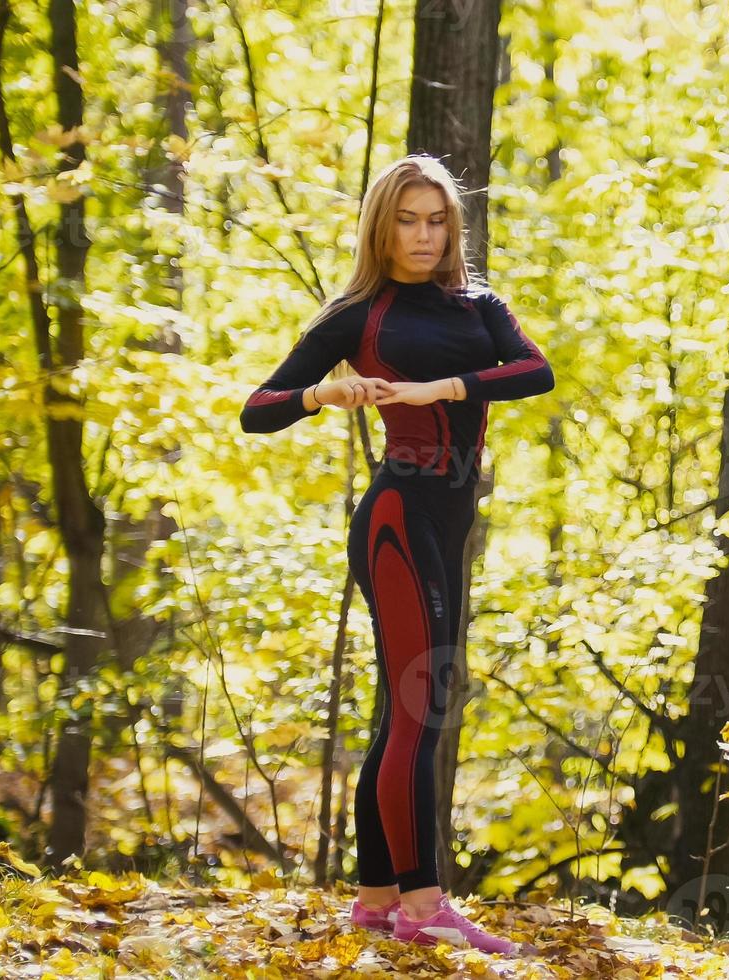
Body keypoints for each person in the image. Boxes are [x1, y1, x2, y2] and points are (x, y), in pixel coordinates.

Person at [239, 154, 555, 955]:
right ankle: (423, 903)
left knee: (409, 711)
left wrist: (438, 389)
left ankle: (377, 896)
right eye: (408, 219)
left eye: (437, 219)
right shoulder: (359, 316)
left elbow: (535, 373)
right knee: (421, 707)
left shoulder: (480, 304)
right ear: (382, 226)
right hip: (397, 516)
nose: (423, 235)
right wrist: (324, 393)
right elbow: (258, 410)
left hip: (450, 521)